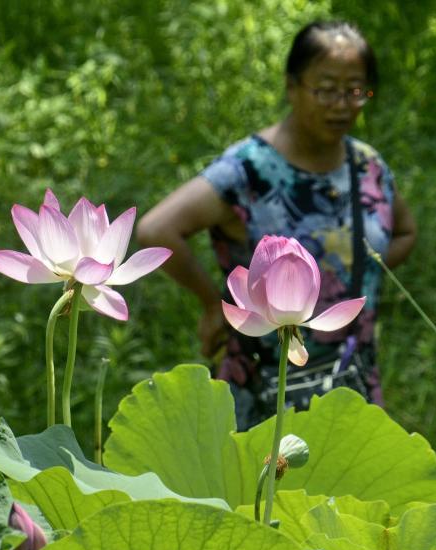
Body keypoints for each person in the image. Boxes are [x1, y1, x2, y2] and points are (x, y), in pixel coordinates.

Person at [136, 20, 417, 430]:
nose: (341, 104)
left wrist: (361, 274)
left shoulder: (368, 166)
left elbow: (406, 232)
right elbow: (155, 229)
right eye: (325, 88)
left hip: (351, 380)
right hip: (263, 386)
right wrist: (213, 305)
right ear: (292, 87)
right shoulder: (249, 169)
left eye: (355, 90)